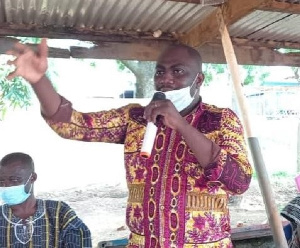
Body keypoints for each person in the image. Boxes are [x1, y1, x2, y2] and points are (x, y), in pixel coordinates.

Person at [6, 39, 252, 247]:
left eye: (178, 71)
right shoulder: (136, 118)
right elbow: (73, 125)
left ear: (198, 80)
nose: (166, 79)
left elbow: (239, 181)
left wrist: (182, 125)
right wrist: (39, 80)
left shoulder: (220, 120)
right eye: (160, 71)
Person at [0, 152, 92, 248]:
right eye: (1, 181)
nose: (6, 186)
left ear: (32, 178)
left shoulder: (60, 213)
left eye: (14, 180)